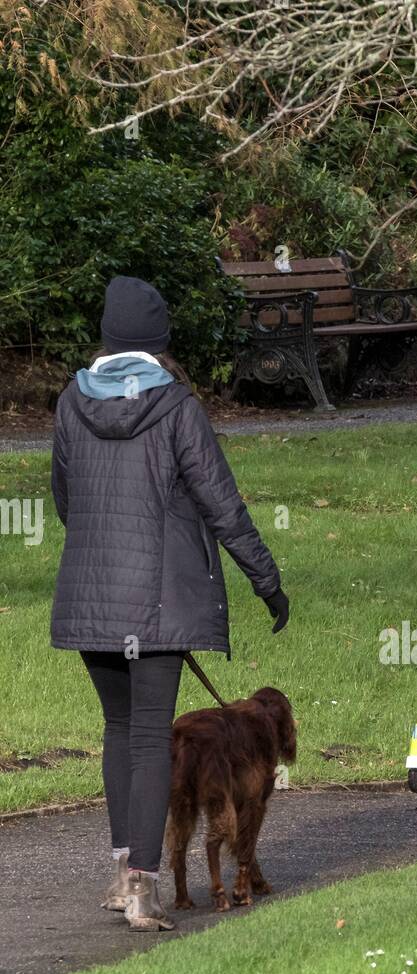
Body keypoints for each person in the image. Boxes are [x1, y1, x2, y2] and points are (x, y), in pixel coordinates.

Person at [50, 276, 290, 931]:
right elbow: (222, 504)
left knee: (120, 731)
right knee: (151, 739)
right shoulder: (177, 406)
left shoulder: (72, 399)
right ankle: (142, 891)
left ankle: (122, 868)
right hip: (157, 602)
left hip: (92, 601)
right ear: (157, 340)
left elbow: (66, 499)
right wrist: (266, 580)